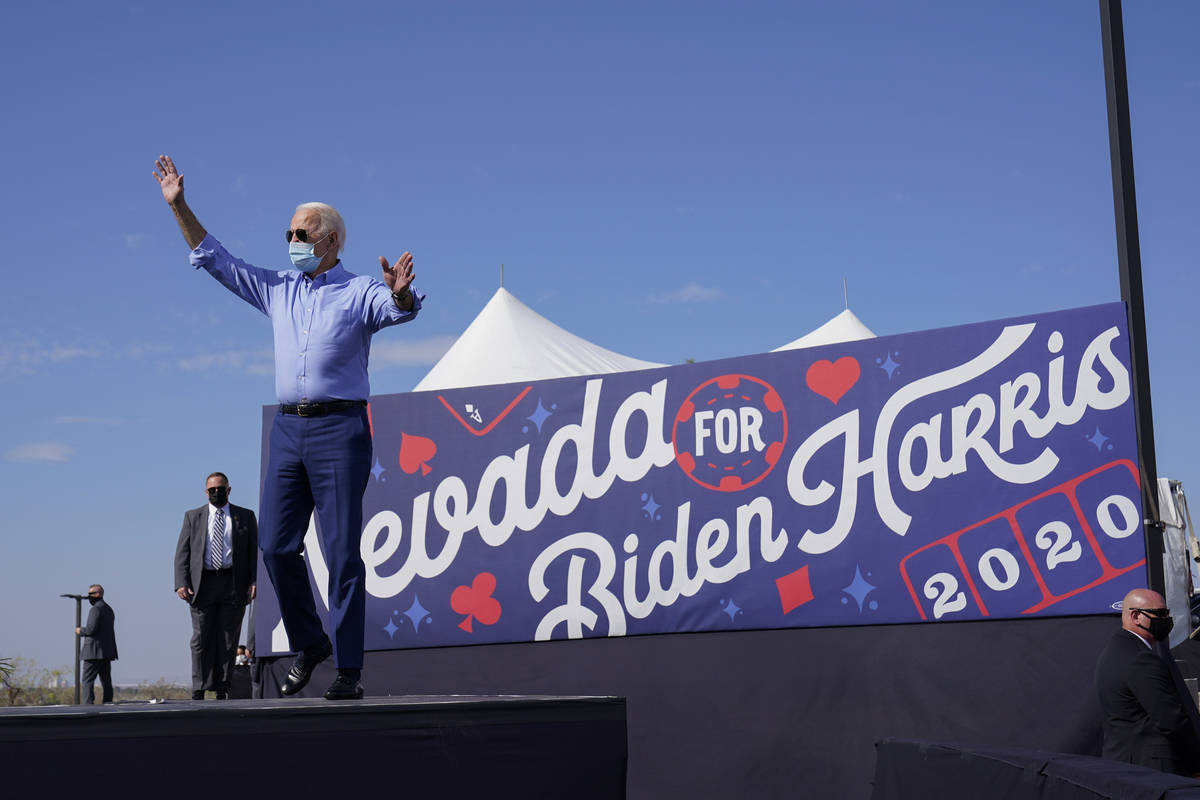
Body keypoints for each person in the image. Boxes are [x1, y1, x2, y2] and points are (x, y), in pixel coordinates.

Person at [153, 155, 423, 700]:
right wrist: (179, 206)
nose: (292, 239)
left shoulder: (359, 291)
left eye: (301, 232)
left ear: (329, 242)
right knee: (275, 547)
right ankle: (310, 642)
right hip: (288, 432)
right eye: (289, 232)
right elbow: (215, 258)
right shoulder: (279, 288)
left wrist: (398, 291)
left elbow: (402, 309)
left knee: (342, 553)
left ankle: (348, 670)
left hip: (340, 430)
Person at [1095, 587, 1200, 775]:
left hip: (1127, 764)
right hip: (1151, 769)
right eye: (1159, 614)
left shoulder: (1117, 650)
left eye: (1167, 613)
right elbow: (1171, 719)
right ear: (1135, 616)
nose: (1166, 619)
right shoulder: (1139, 658)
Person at [175, 472, 258, 700]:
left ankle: (222, 686)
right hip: (202, 584)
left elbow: (253, 553)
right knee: (201, 638)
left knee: (228, 639)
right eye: (212, 490)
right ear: (206, 492)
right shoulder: (193, 517)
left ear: (229, 490)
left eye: (220, 489)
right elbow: (183, 551)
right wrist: (181, 582)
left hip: (233, 583)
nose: (216, 493)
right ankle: (199, 686)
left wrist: (254, 580)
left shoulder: (245, 516)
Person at [75, 584, 117, 704]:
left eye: (91, 594)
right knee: (106, 681)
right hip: (106, 652)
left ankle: (87, 706)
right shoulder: (109, 609)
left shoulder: (95, 609)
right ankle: (108, 703)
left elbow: (91, 629)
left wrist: (80, 630)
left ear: (98, 594)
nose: (89, 597)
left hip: (93, 652)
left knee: (87, 680)